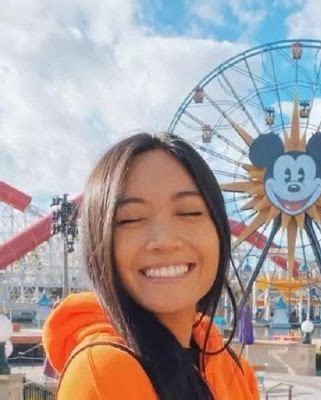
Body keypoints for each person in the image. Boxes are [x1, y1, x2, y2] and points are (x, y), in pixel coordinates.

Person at [43, 133, 259, 400]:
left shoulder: (228, 364)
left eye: (189, 212)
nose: (165, 241)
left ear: (219, 231)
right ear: (99, 243)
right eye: (132, 219)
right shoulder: (105, 371)